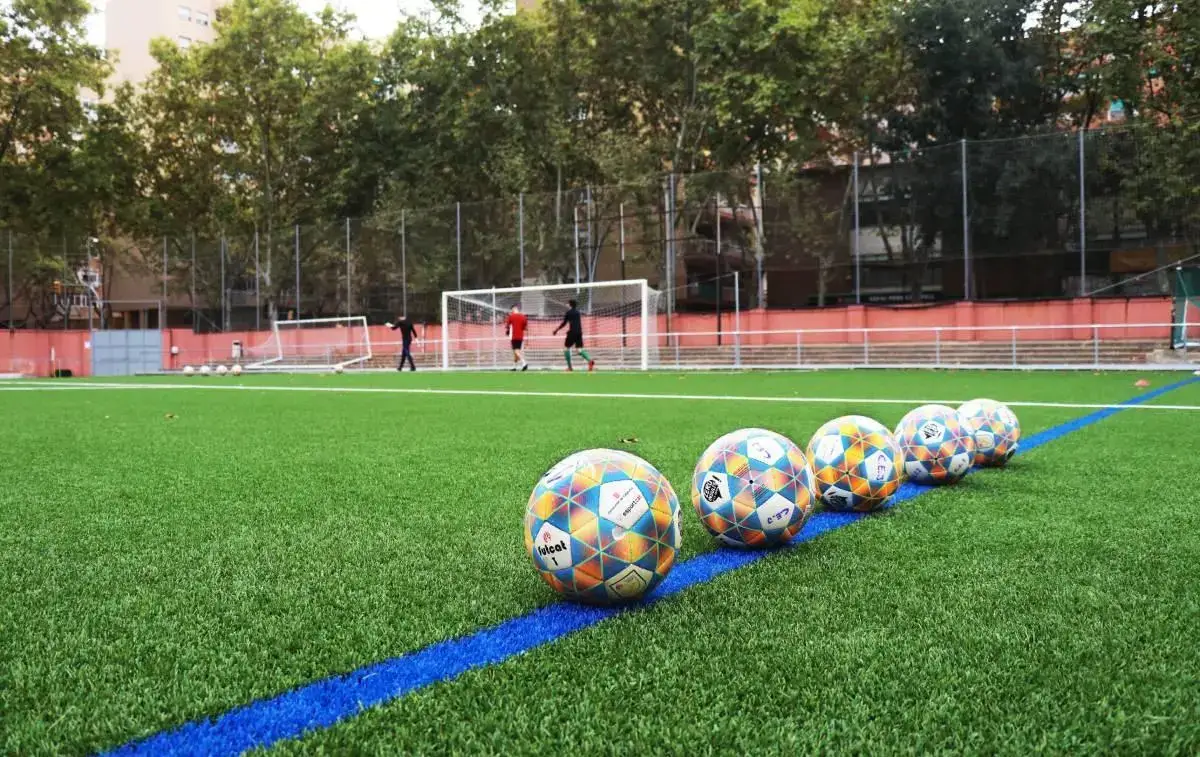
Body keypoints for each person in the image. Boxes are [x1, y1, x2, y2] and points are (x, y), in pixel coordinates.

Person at [553, 299, 595, 372]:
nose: (567, 305)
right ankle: (589, 360)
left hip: (572, 332)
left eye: (567, 304)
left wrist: (556, 330)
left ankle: (570, 367)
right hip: (579, 332)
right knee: (579, 350)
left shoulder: (568, 313)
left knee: (566, 348)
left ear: (570, 305)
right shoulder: (578, 312)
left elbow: (564, 323)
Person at [504, 304, 529, 371]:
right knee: (515, 352)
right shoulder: (523, 317)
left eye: (512, 309)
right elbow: (525, 328)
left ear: (514, 309)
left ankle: (524, 363)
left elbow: (507, 326)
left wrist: (507, 331)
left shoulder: (511, 316)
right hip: (521, 336)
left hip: (514, 336)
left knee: (516, 351)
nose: (511, 311)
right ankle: (514, 367)